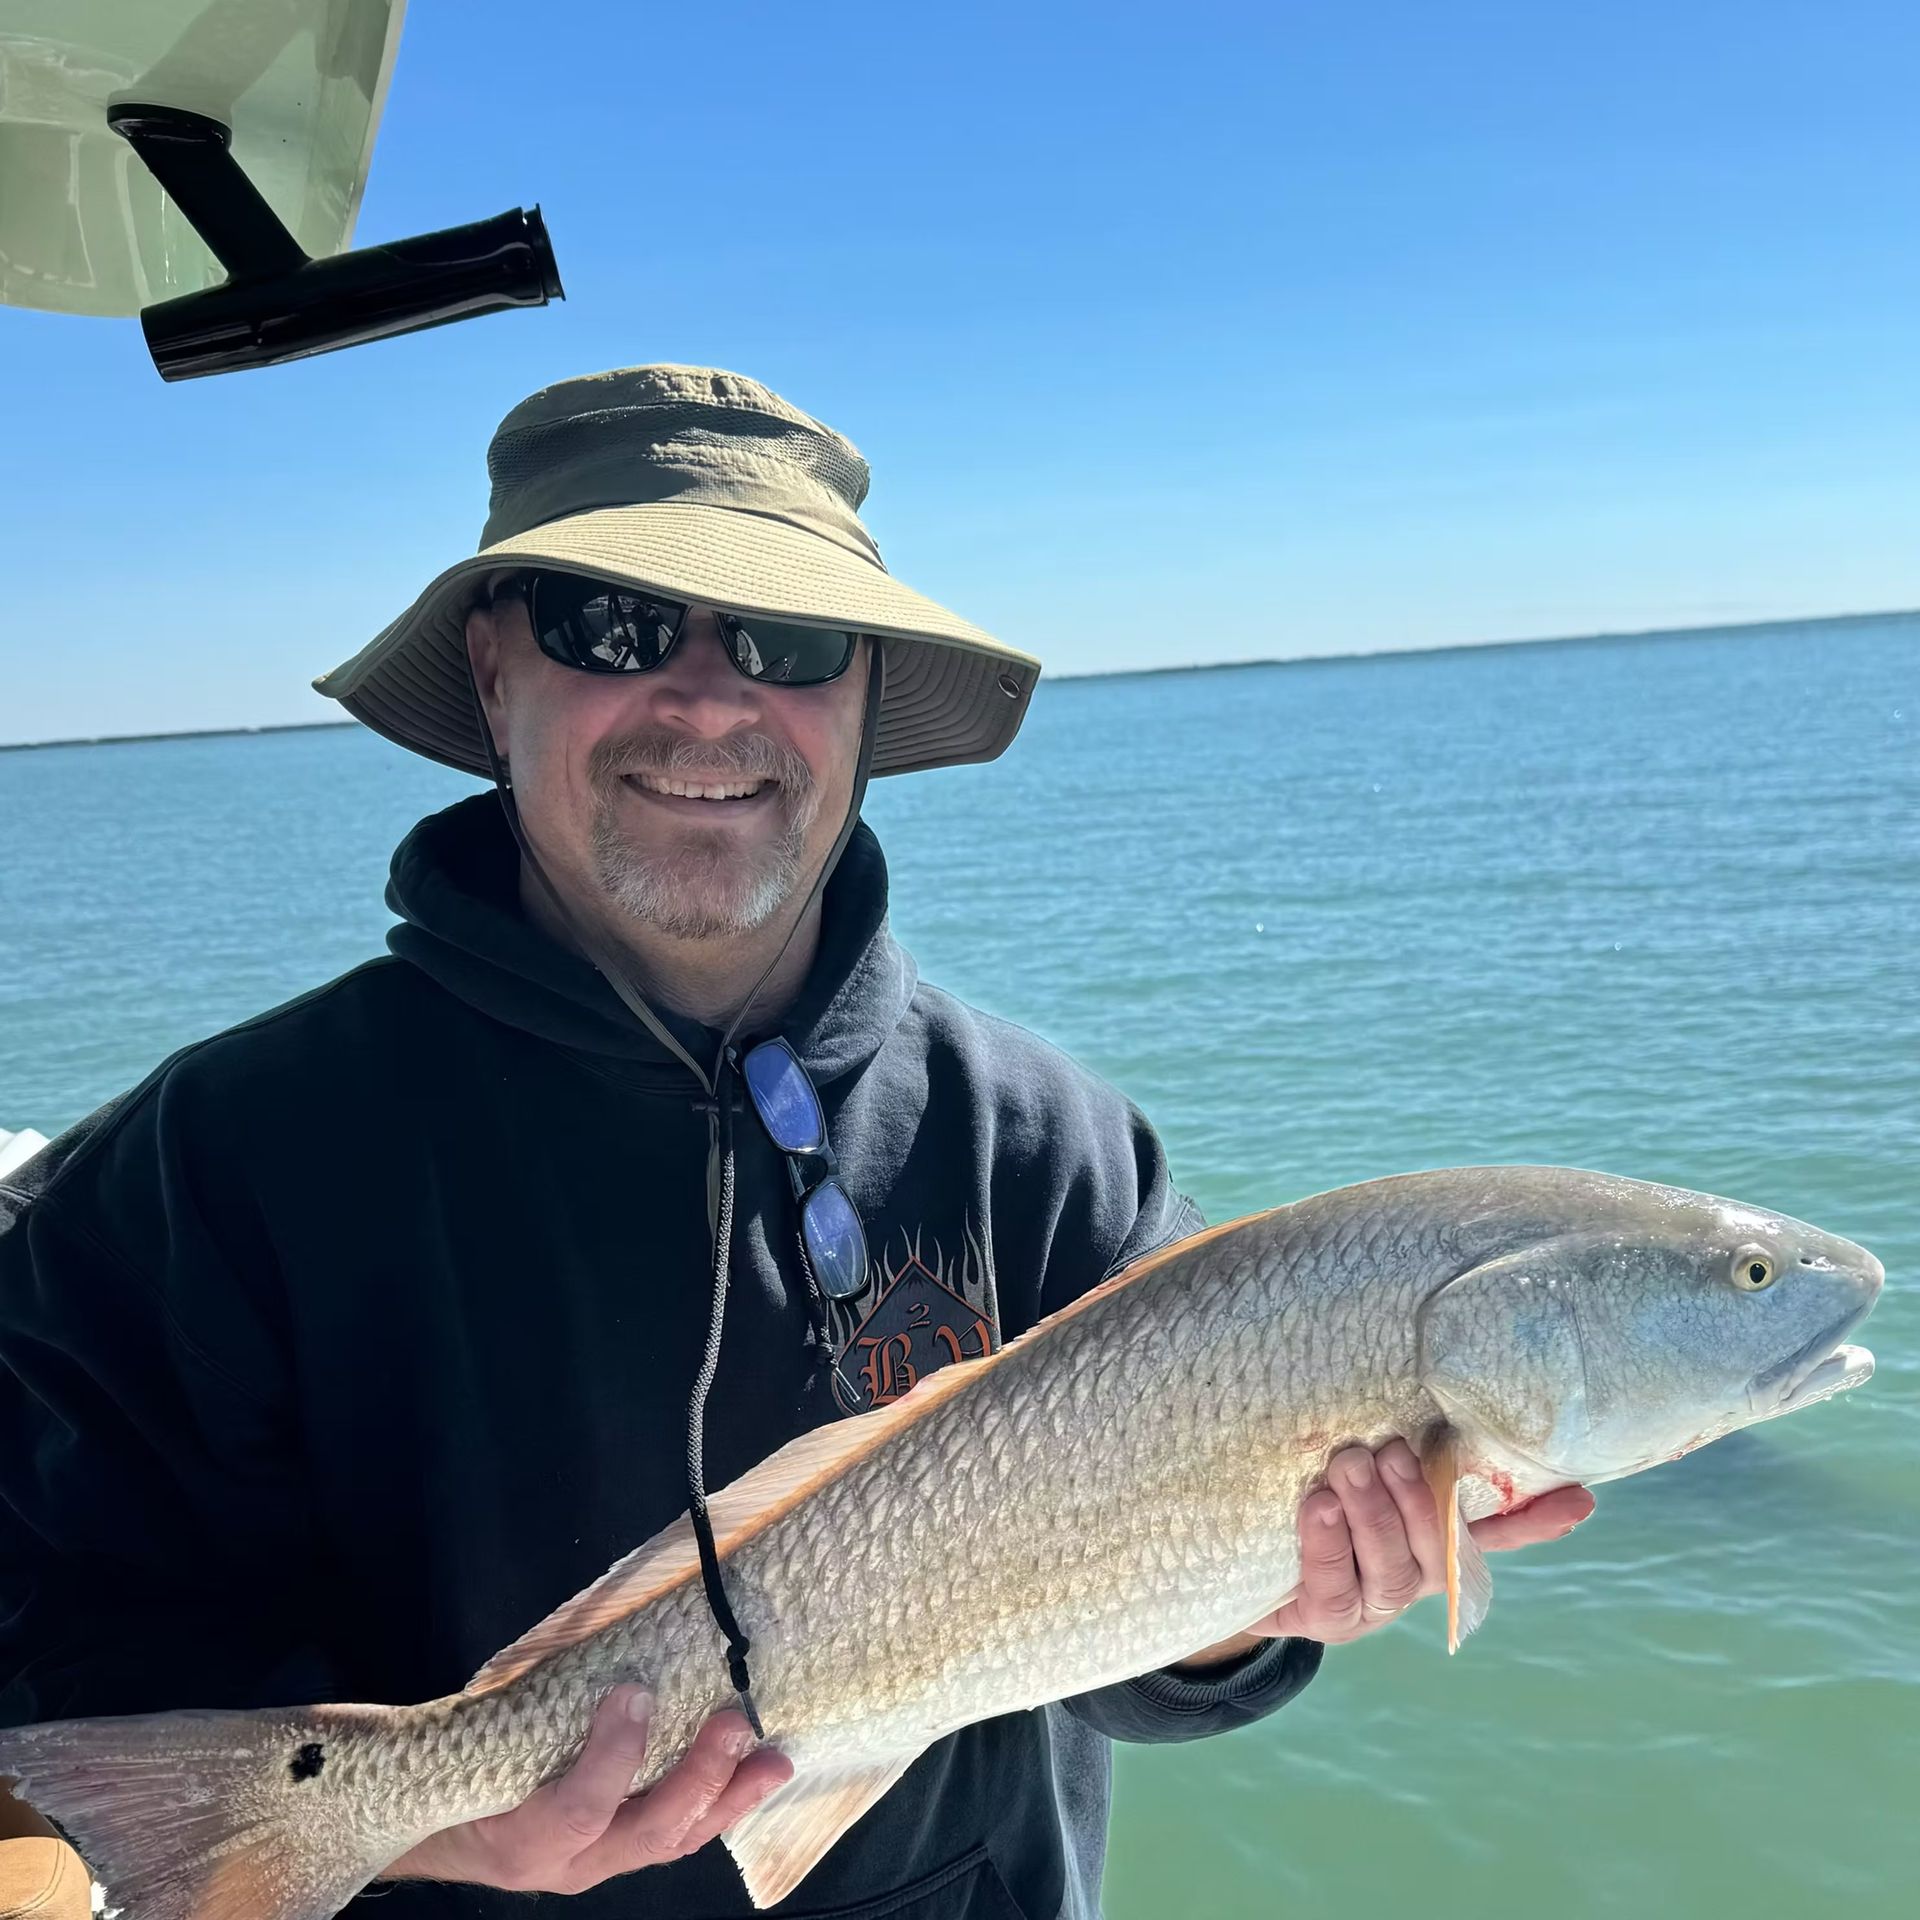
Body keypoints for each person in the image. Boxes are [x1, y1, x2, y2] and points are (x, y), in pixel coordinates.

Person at [0, 365, 1591, 1919]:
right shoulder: (210, 1164)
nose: (708, 699)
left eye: (790, 639)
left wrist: (1253, 1616)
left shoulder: (1050, 1146)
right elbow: (54, 1632)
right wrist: (429, 1833)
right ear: (494, 674)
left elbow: (1151, 1682)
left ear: (864, 698)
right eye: (611, 627)